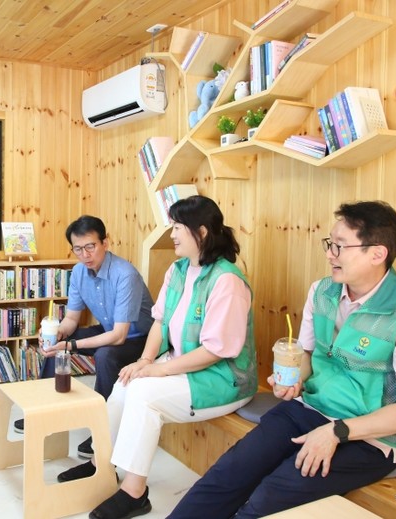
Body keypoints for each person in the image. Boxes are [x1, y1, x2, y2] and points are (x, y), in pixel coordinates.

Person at [169, 200, 396, 518]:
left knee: (268, 497)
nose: (330, 254)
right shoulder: (322, 291)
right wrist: (295, 379)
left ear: (377, 254)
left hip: (371, 438)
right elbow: (309, 356)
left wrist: (337, 431)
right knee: (228, 473)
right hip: (310, 409)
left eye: (340, 246)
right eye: (330, 243)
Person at [59, 195, 258, 519]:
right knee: (126, 383)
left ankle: (134, 492)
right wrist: (145, 361)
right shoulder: (178, 270)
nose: (172, 233)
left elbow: (214, 351)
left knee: (144, 395)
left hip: (223, 378)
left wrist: (159, 371)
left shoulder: (227, 281)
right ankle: (100, 464)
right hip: (181, 363)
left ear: (201, 232)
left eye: (177, 227)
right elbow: (160, 322)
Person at [15, 215, 154, 458]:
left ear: (105, 243)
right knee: (56, 346)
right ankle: (45, 412)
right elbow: (71, 319)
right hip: (109, 330)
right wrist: (57, 334)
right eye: (78, 249)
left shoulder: (125, 274)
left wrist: (70, 345)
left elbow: (119, 336)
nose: (85, 254)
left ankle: (102, 428)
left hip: (141, 339)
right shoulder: (79, 272)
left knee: (105, 355)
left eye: (91, 246)